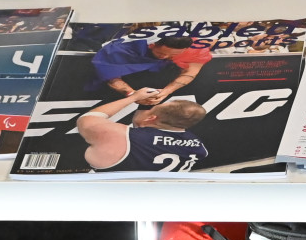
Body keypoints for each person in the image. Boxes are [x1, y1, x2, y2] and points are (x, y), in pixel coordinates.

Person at [77, 89, 210, 173]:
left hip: (111, 198)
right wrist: (145, 104)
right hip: (161, 198)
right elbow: (143, 126)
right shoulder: (198, 145)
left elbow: (89, 118)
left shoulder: (124, 136)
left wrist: (133, 98)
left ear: (151, 118)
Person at [89, 31, 214, 102]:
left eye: (174, 55)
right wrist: (132, 95)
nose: (165, 57)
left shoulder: (196, 48)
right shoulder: (123, 47)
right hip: (115, 89)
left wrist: (166, 91)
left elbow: (190, 73)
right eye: (161, 53)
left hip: (161, 85)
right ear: (152, 44)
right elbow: (110, 76)